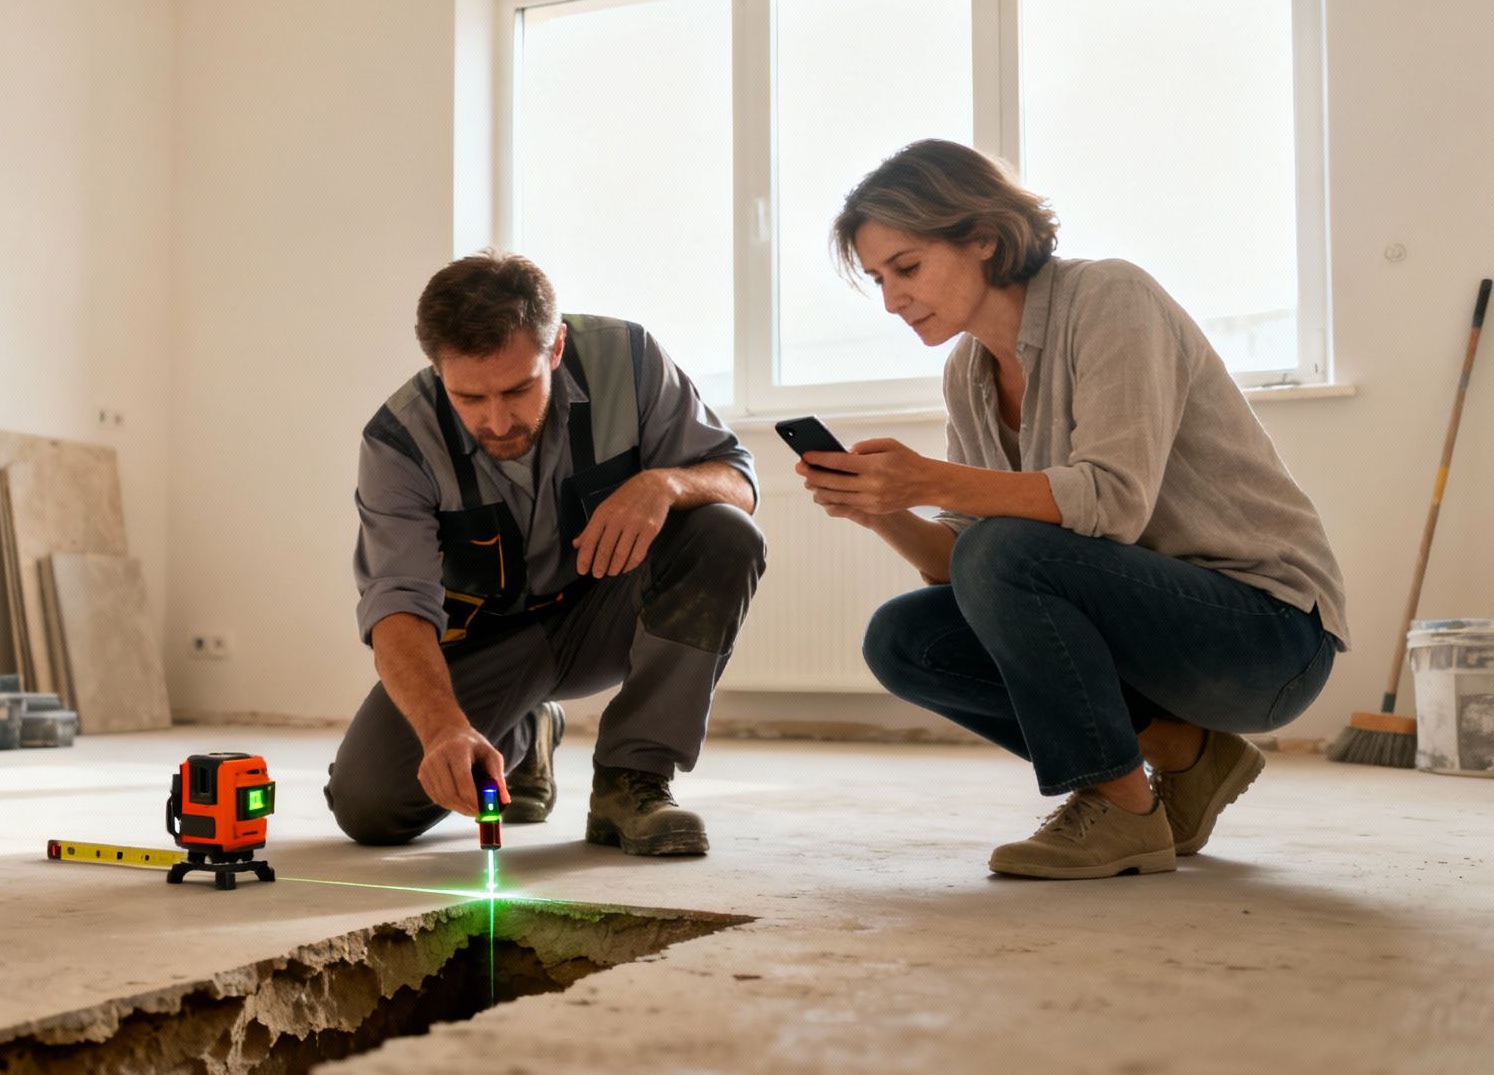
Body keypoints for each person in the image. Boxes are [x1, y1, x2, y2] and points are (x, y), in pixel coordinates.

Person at [799, 139, 1347, 880]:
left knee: (1003, 550)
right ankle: (1190, 757)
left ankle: (1120, 807)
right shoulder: (969, 370)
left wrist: (929, 479)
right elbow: (963, 566)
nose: (893, 299)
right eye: (877, 279)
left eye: (908, 267)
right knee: (903, 638)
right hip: (1149, 631)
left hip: (1267, 636)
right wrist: (879, 509)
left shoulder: (1111, 297)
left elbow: (1112, 502)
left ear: (983, 238)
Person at [327, 249, 765, 855]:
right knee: (370, 806)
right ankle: (524, 731)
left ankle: (632, 778)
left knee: (724, 534)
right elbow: (396, 608)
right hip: (487, 644)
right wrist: (444, 730)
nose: (499, 420)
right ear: (437, 369)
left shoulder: (629, 361)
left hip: (605, 617)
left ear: (555, 347)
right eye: (469, 399)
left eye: (518, 388)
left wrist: (665, 484)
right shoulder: (397, 442)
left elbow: (738, 482)